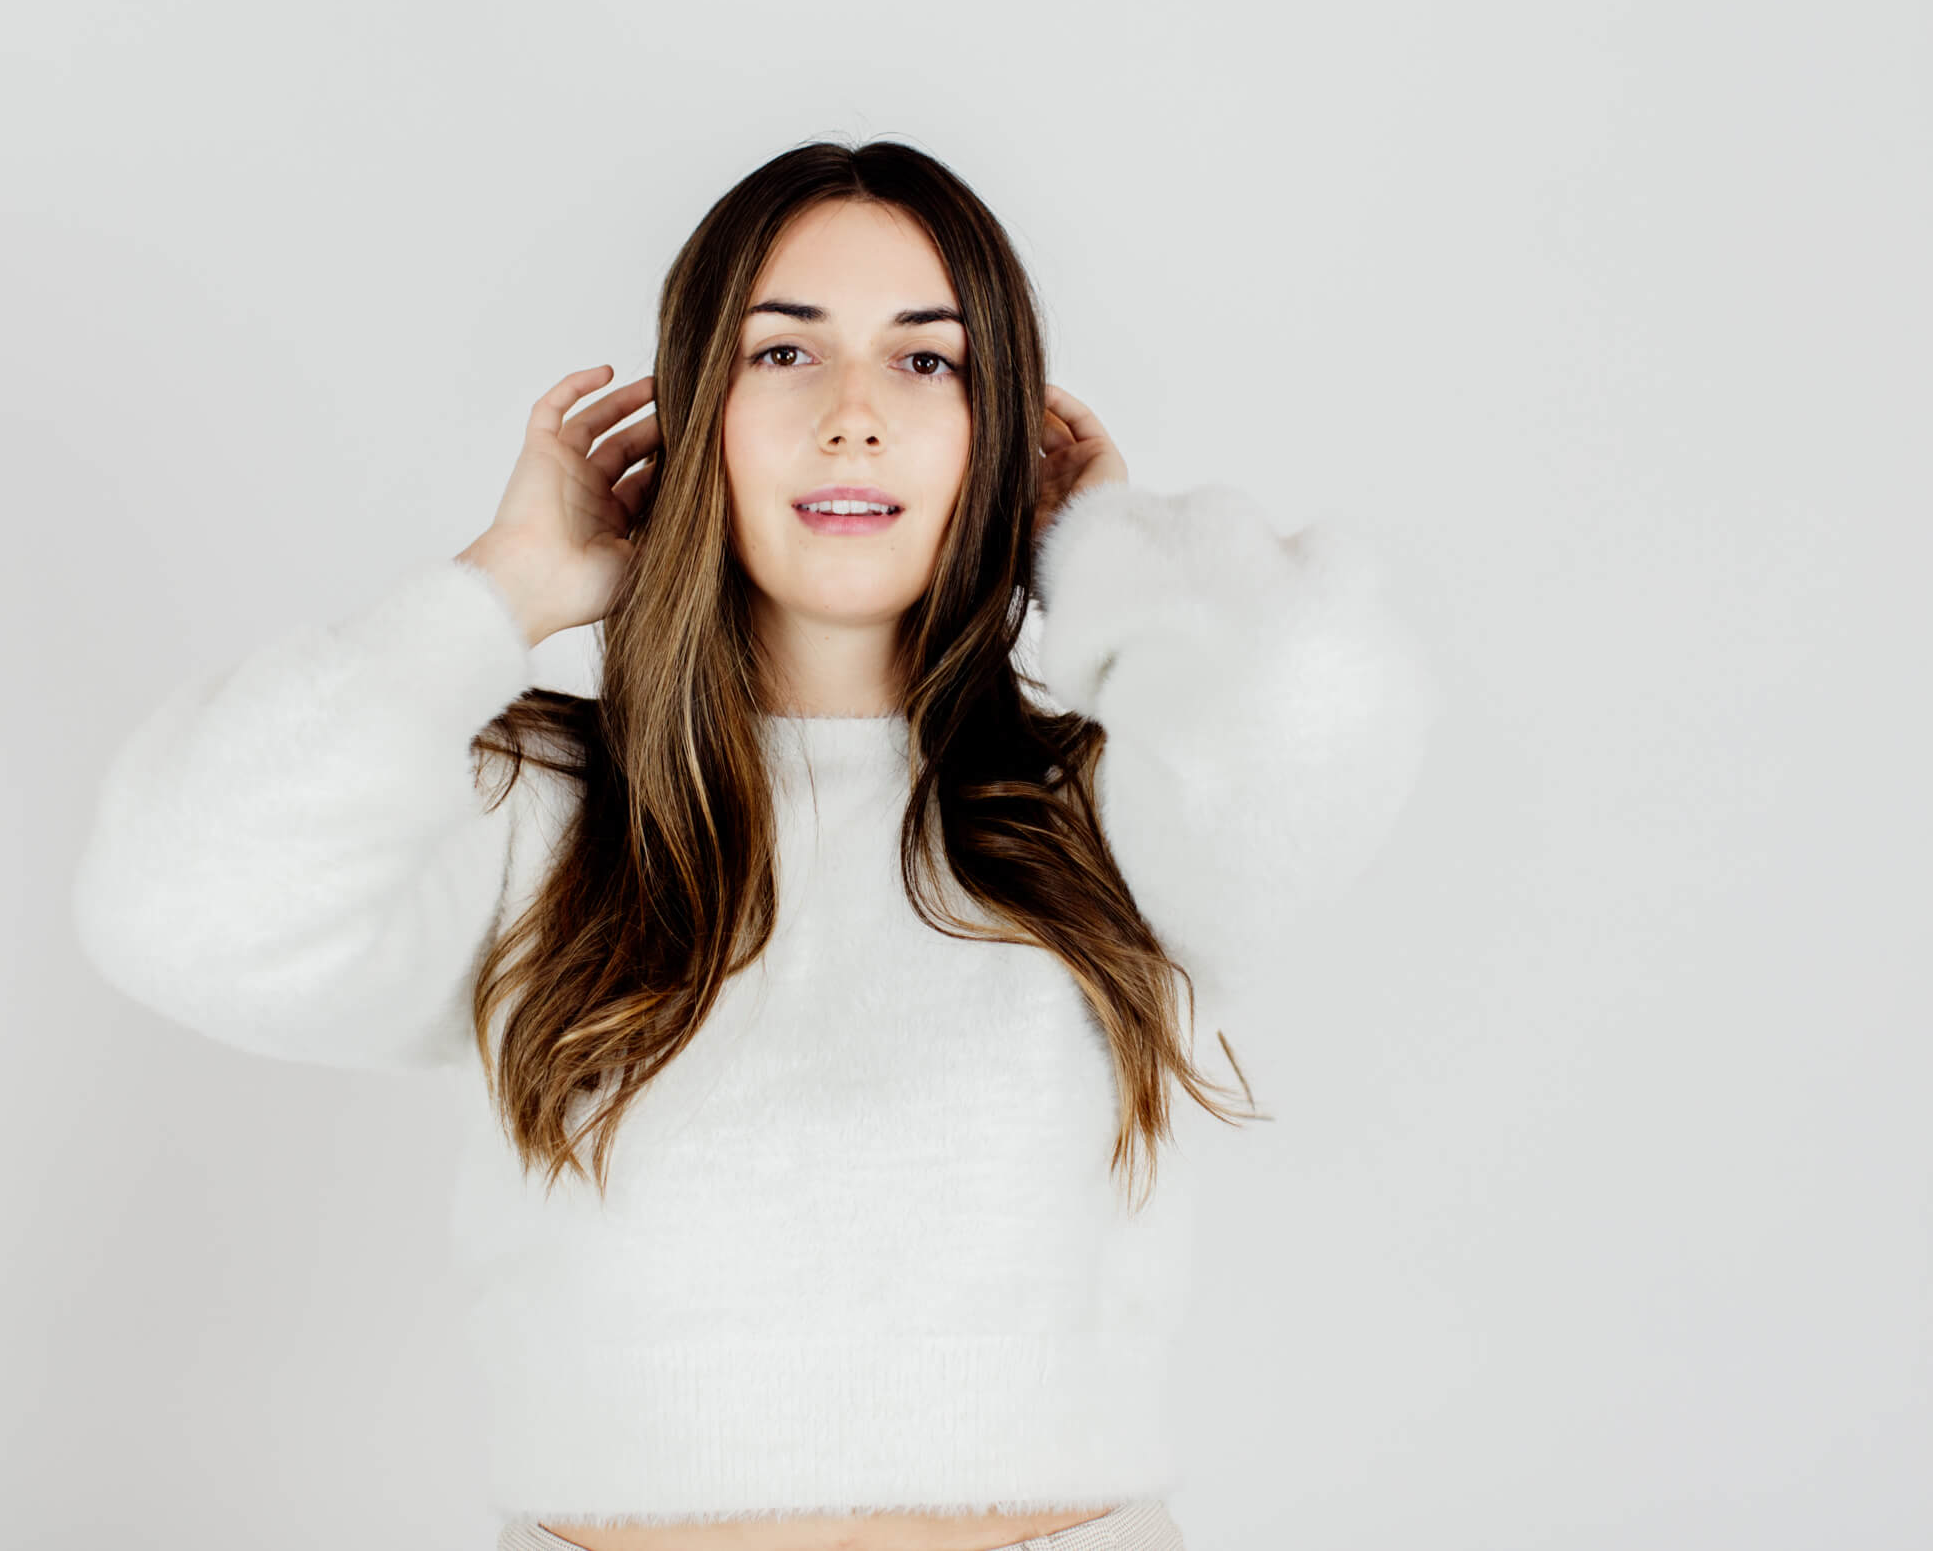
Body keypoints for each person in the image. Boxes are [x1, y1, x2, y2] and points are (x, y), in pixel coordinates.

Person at [70, 140, 1443, 1550]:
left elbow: (1323, 683)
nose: (854, 417)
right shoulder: (529, 819)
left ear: (1004, 429)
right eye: (784, 356)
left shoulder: (1119, 818)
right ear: (692, 419)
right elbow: (176, 902)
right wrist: (505, 588)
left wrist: (1098, 541)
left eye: (930, 365)